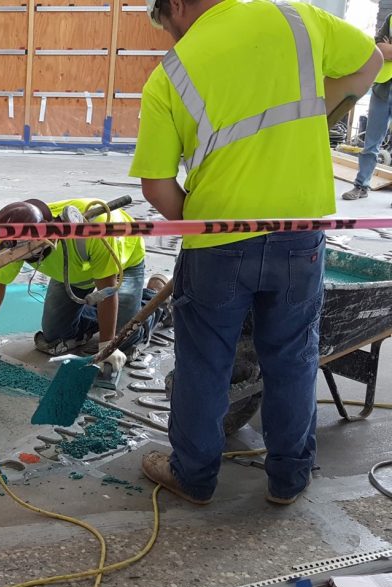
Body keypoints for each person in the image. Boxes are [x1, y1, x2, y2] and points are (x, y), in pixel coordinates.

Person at [133, 0, 381, 505]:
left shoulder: (171, 73)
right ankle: (289, 480)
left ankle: (194, 477)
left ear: (177, 6)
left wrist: (205, 229)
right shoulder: (294, 18)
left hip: (218, 244)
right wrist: (325, 109)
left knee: (205, 364)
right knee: (292, 359)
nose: (173, 39)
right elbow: (372, 60)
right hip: (300, 232)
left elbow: (158, 188)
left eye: (169, 25)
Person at [0, 198, 166, 373]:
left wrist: (107, 345)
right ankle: (102, 316)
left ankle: (155, 296)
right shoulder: (17, 238)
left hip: (122, 263)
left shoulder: (94, 232)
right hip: (74, 271)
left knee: (124, 339)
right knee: (54, 338)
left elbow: (106, 291)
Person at [342, 12, 392, 201]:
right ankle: (361, 186)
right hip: (382, 88)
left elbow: (388, 50)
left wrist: (390, 48)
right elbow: (380, 48)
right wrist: (385, 49)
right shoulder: (391, 18)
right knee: (371, 143)